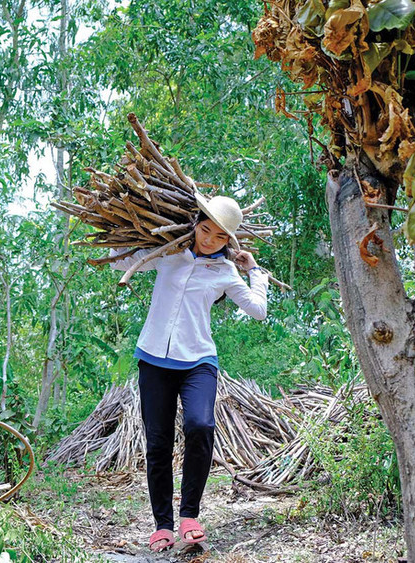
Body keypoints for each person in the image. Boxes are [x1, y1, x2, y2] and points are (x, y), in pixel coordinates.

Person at [109, 193, 269, 552]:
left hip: (198, 361)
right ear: (195, 223)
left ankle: (189, 515)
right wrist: (140, 236)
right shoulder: (168, 256)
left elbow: (258, 309)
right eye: (205, 229)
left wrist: (254, 271)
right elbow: (120, 265)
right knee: (158, 441)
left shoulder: (226, 272)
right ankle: (163, 525)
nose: (209, 239)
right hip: (153, 359)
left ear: (229, 241)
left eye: (219, 236)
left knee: (201, 425)